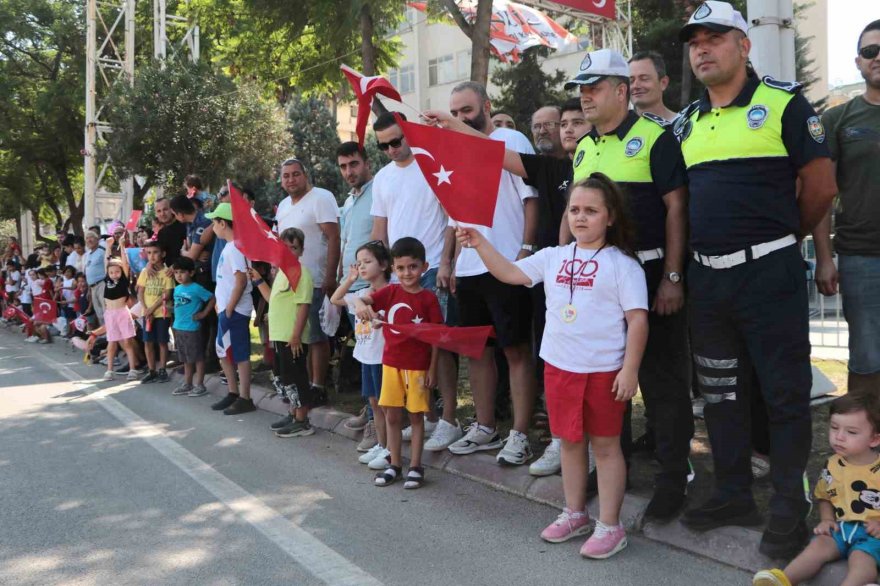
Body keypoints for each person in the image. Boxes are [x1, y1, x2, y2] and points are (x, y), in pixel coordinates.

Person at [676, 1, 838, 557]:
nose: (701, 48)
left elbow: (819, 186)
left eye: (714, 37)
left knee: (783, 395)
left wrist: (778, 239)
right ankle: (733, 493)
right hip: (708, 285)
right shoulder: (686, 122)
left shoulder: (785, 103)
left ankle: (789, 511)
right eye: (694, 40)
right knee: (720, 395)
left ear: (743, 45)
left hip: (770, 277)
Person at [456, 174, 648, 559]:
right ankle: (574, 512)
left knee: (607, 448)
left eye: (591, 211)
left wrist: (630, 370)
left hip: (604, 372)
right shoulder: (554, 256)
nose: (581, 218)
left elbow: (638, 320)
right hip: (560, 369)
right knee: (570, 444)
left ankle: (610, 525)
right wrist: (480, 244)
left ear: (609, 217)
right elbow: (510, 273)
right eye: (574, 210)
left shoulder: (623, 265)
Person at [441, 81, 539, 466]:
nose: (462, 118)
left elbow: (532, 198)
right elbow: (453, 215)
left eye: (467, 110)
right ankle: (484, 427)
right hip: (469, 268)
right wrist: (448, 262)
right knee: (479, 352)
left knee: (515, 349)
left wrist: (526, 249)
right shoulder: (457, 151)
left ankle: (520, 433)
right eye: (456, 112)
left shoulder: (510, 138)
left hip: (507, 264)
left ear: (486, 104)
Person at [370, 112, 462, 451]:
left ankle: (450, 419)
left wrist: (447, 263)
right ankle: (421, 417)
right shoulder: (382, 178)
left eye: (396, 141)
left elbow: (452, 217)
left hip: (432, 269)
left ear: (408, 132)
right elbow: (379, 231)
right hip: (397, 277)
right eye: (384, 146)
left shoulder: (431, 164)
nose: (392, 149)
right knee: (406, 351)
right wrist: (375, 274)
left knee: (441, 348)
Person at [813, 19, 880, 395]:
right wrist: (824, 258)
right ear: (858, 62)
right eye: (871, 51)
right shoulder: (837, 120)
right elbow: (822, 194)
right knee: (867, 358)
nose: (878, 57)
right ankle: (863, 448)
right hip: (862, 257)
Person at [753, 393, 880, 586]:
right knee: (818, 545)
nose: (839, 437)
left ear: (874, 439)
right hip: (841, 529)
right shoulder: (833, 464)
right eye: (834, 427)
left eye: (851, 432)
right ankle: (783, 579)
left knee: (861, 559)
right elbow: (825, 496)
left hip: (871, 535)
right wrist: (827, 519)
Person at [354, 237, 443, 489]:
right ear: (393, 268)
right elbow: (363, 300)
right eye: (401, 268)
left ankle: (416, 466)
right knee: (392, 416)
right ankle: (394, 464)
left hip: (418, 368)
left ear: (424, 267)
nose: (407, 273)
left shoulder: (428, 299)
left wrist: (433, 369)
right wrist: (361, 304)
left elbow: (436, 337)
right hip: (390, 365)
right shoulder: (390, 292)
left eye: (413, 267)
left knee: (416, 417)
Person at [275, 158, 340, 404]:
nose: (291, 180)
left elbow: (334, 238)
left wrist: (330, 275)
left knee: (316, 337)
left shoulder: (321, 198)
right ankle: (300, 387)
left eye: (295, 174)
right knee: (297, 336)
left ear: (305, 175)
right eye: (286, 176)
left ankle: (317, 386)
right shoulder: (282, 206)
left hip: (316, 279)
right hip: (289, 283)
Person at [252, 228, 318, 437]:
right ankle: (293, 412)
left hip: (292, 338)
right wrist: (258, 280)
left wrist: (296, 335)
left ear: (301, 250)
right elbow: (273, 299)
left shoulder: (301, 273)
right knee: (284, 378)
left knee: (297, 377)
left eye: (294, 248)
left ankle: (302, 420)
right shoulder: (281, 273)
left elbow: (304, 306)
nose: (289, 251)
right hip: (279, 336)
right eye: (285, 247)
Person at [332, 241, 391, 467]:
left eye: (368, 262)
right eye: (359, 263)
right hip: (366, 356)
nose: (363, 267)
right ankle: (381, 444)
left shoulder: (390, 292)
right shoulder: (361, 292)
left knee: (386, 405)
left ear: (384, 264)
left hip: (382, 357)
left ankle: (388, 449)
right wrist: (350, 279)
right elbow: (335, 299)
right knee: (374, 403)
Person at [337, 141, 376, 433]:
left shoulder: (379, 191)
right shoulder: (349, 201)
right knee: (363, 351)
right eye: (343, 166)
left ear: (366, 163)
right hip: (350, 286)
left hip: (371, 287)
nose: (349, 171)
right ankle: (370, 407)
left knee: (376, 353)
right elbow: (345, 242)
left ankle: (379, 420)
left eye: (354, 164)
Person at [205, 202, 255, 415]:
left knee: (239, 354)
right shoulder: (229, 246)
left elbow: (241, 280)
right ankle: (233, 393)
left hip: (234, 311)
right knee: (223, 352)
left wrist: (229, 308)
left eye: (214, 222)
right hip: (225, 308)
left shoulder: (235, 247)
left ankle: (245, 397)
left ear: (223, 223)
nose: (212, 226)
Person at [90, 237, 141, 381]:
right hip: (110, 314)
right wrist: (108, 246)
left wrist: (122, 246)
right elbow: (107, 261)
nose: (114, 274)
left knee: (127, 342)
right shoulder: (107, 279)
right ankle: (109, 370)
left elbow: (124, 263)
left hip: (122, 313)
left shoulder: (123, 279)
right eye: (111, 272)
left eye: (116, 272)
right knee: (111, 342)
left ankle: (133, 369)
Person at [171, 256, 215, 397]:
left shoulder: (196, 288)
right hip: (179, 327)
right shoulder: (177, 289)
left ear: (191, 273)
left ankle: (200, 384)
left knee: (197, 357)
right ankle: (187, 383)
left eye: (182, 272)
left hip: (192, 328)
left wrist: (203, 314)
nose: (179, 275)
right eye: (176, 272)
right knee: (185, 358)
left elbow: (212, 298)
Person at [136, 240, 175, 384]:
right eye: (149, 253)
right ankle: (151, 370)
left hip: (162, 313)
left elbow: (167, 294)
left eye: (155, 252)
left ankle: (162, 369)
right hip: (147, 313)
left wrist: (152, 309)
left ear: (163, 254)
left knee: (162, 341)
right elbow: (140, 291)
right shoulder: (145, 272)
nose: (152, 256)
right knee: (148, 342)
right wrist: (145, 309)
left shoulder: (167, 273)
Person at [629, 51, 679, 122]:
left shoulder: (683, 127)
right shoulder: (621, 130)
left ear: (663, 83)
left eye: (644, 79)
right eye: (631, 81)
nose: (636, 86)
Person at [154, 196, 188, 267]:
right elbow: (160, 255)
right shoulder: (161, 233)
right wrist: (150, 264)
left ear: (172, 209)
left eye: (165, 209)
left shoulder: (185, 226)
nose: (162, 214)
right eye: (159, 211)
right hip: (169, 274)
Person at [83, 231, 107, 325]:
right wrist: (89, 289)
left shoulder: (102, 251)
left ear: (97, 239)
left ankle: (110, 335)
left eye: (91, 237)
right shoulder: (88, 254)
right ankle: (104, 334)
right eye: (87, 238)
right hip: (92, 287)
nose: (89, 240)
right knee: (99, 312)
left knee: (105, 310)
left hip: (102, 284)